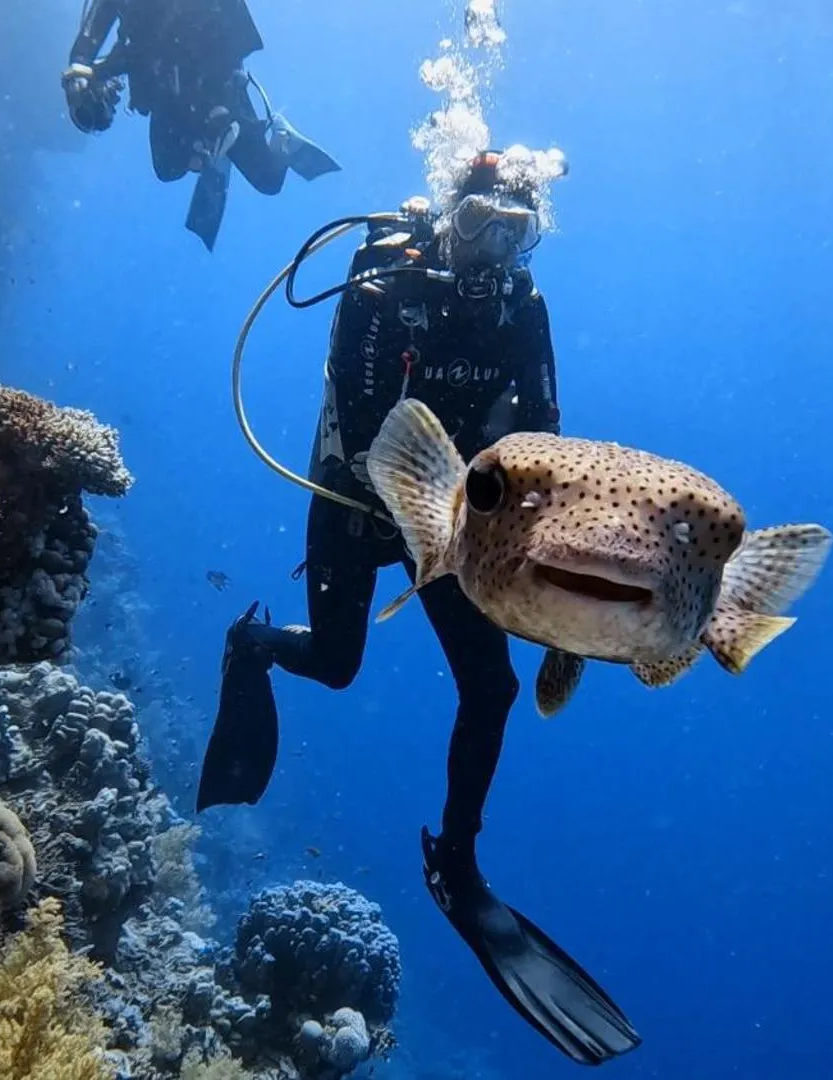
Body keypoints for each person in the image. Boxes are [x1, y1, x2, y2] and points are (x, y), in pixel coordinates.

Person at [197, 150, 643, 1066]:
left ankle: (459, 864)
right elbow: (365, 435)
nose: (495, 250)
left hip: (452, 519)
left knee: (493, 690)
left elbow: (546, 439)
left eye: (516, 233)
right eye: (480, 224)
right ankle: (251, 644)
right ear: (450, 218)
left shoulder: (526, 309)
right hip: (357, 502)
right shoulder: (379, 292)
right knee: (335, 662)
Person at [60, 0, 341, 250]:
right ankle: (208, 148)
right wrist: (81, 71)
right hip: (167, 88)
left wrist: (87, 65)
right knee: (167, 168)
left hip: (214, 79)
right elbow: (95, 29)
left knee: (267, 180)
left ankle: (273, 137)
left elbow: (210, 25)